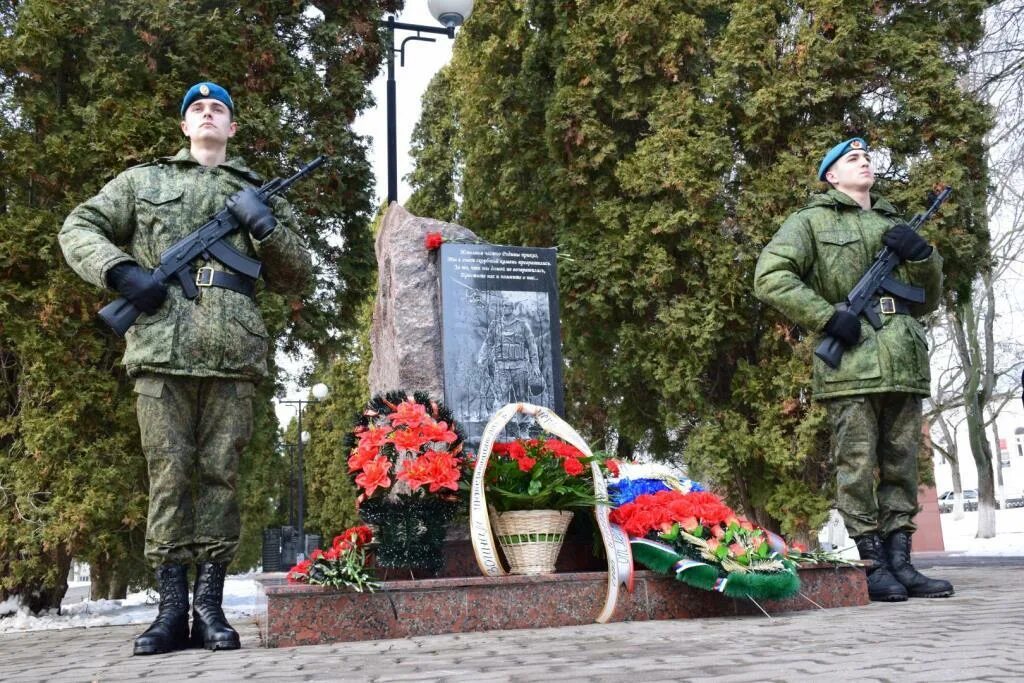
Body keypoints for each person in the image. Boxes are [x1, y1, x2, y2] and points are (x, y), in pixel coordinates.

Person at [59, 82, 313, 653]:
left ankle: (211, 609)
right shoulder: (144, 182)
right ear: (184, 126)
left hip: (231, 356)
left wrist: (265, 226)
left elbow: (297, 273)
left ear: (232, 128)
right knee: (169, 477)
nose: (207, 114)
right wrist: (120, 272)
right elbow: (79, 226)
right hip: (161, 350)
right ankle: (171, 613)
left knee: (221, 477)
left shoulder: (256, 192)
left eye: (217, 108)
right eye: (196, 108)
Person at [754, 137, 954, 602]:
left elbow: (931, 298)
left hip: (903, 360)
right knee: (857, 464)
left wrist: (923, 257)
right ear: (831, 176)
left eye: (867, 156)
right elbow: (770, 275)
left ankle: (901, 562)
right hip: (852, 361)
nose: (864, 161)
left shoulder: (896, 223)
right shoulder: (810, 222)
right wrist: (826, 317)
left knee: (903, 465)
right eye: (851, 158)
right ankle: (872, 564)